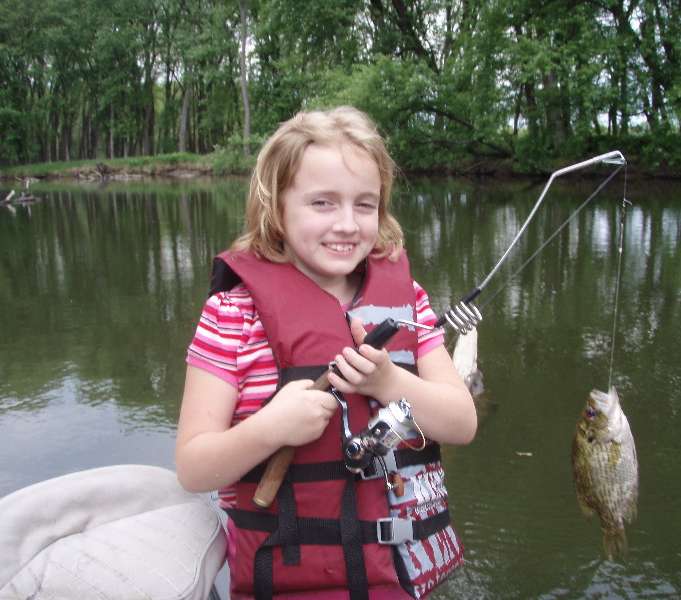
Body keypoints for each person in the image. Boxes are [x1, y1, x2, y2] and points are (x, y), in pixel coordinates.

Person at [175, 106, 477, 600]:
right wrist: (271, 427)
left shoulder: (409, 301)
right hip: (282, 581)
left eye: (365, 204)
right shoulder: (230, 316)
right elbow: (192, 467)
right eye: (322, 203)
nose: (346, 224)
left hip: (393, 582)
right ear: (277, 207)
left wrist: (389, 384)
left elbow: (462, 424)